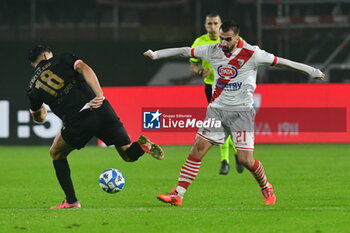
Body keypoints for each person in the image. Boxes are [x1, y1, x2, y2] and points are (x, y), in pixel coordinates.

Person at [144, 20, 324, 206]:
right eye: (221, 39)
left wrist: (311, 71)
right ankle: (178, 194)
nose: (223, 43)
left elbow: (283, 63)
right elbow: (184, 51)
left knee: (246, 160)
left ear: (237, 37)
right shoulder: (212, 50)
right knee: (197, 150)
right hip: (217, 110)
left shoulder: (253, 54)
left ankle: (265, 186)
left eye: (227, 40)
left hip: (242, 113)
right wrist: (156, 54)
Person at [27, 45, 164, 209]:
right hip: (102, 107)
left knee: (56, 153)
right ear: (46, 55)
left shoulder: (32, 88)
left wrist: (40, 112)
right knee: (128, 155)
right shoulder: (62, 58)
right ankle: (142, 146)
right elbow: (85, 68)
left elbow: (40, 118)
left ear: (33, 64)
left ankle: (71, 201)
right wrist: (99, 95)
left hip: (79, 118)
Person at [189, 12, 244, 175]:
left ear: (221, 25)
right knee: (222, 124)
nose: (212, 27)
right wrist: (200, 72)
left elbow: (247, 57)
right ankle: (225, 160)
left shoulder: (234, 40)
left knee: (231, 126)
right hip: (212, 88)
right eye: (209, 24)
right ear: (205, 26)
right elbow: (193, 66)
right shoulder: (199, 43)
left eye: (215, 23)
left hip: (233, 87)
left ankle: (233, 156)